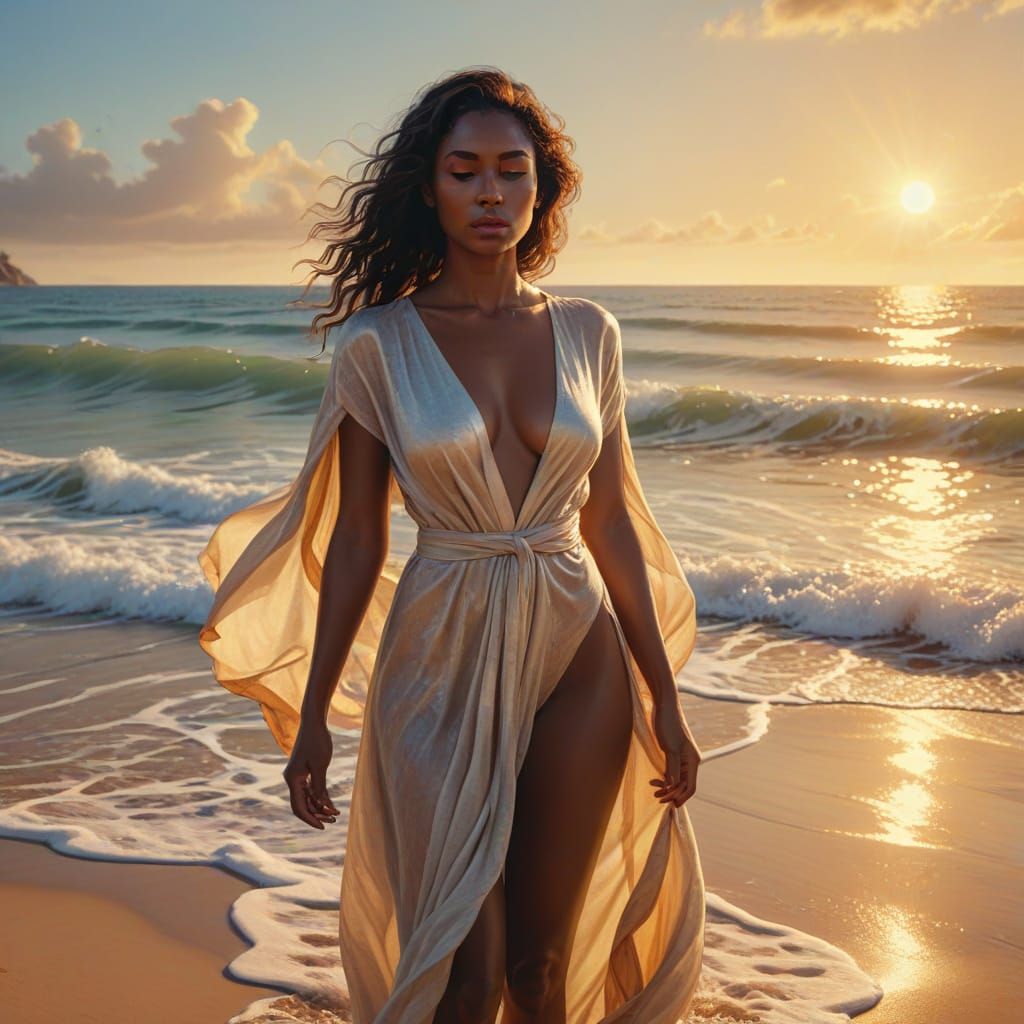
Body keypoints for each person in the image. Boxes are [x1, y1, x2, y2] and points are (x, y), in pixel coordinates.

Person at [198, 67, 705, 1024]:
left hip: (576, 645)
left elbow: (610, 522)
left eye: (512, 171)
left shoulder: (591, 331)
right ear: (428, 188)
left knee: (542, 972)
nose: (489, 193)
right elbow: (357, 539)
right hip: (436, 654)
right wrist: (313, 715)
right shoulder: (379, 346)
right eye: (464, 170)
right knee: (466, 972)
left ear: (539, 189)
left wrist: (664, 694)